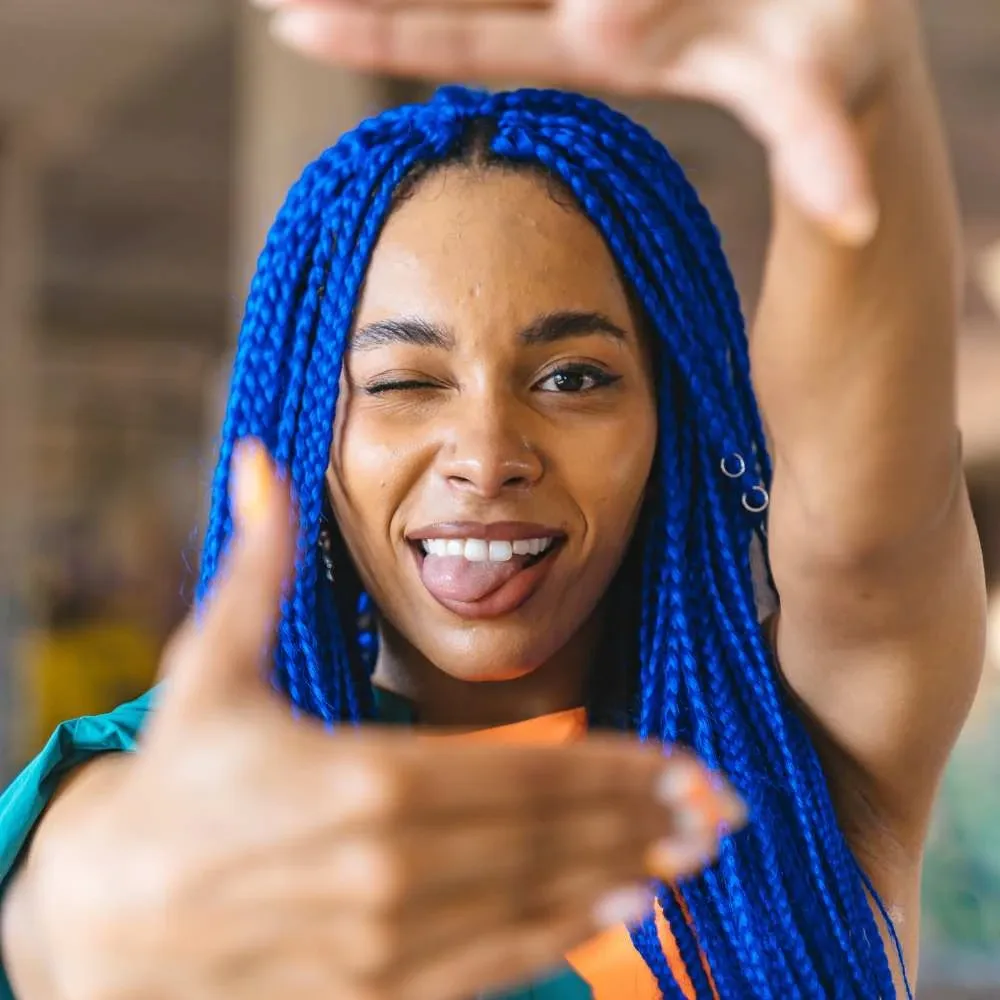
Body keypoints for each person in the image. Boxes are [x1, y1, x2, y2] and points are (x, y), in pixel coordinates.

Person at [0, 0, 987, 997]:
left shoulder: (793, 759)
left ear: (668, 421)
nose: (485, 455)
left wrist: (863, 105)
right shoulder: (164, 796)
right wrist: (75, 926)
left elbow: (868, 538)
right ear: (306, 431)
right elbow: (74, 898)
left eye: (572, 378)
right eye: (401, 384)